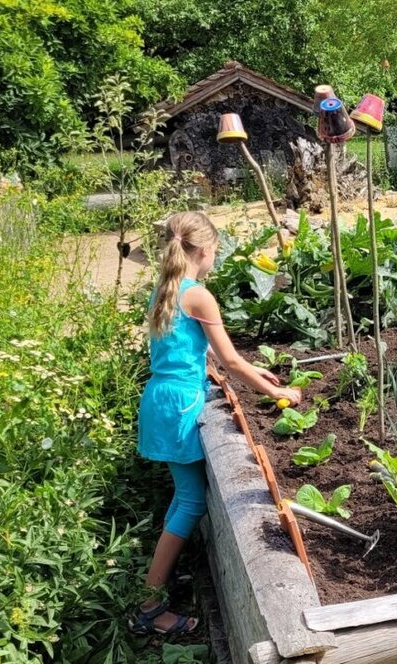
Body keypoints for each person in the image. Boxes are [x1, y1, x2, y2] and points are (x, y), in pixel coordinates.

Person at [130, 212, 301, 636]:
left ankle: (147, 596)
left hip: (161, 399)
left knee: (184, 496)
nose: (215, 258)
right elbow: (231, 360)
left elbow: (190, 352)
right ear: (205, 251)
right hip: (182, 405)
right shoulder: (199, 295)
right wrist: (277, 393)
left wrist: (254, 372)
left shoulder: (165, 288)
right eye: (216, 251)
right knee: (191, 501)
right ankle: (148, 607)